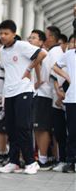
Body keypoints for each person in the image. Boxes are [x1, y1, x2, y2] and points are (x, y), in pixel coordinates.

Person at [0, 20, 47, 175]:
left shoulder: (22, 46)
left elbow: (42, 53)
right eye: (1, 33)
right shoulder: (2, 51)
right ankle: (13, 162)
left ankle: (31, 162)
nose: (3, 36)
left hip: (24, 91)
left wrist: (29, 69)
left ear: (13, 34)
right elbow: (8, 73)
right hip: (10, 93)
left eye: (6, 33)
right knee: (11, 128)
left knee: (23, 127)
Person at [34, 27, 64, 170]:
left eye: (45, 36)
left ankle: (44, 158)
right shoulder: (52, 52)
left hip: (46, 94)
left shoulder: (55, 53)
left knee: (42, 127)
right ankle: (45, 157)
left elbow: (55, 74)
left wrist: (58, 92)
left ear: (51, 37)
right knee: (40, 128)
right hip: (44, 93)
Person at [52, 46, 76, 173]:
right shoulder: (69, 54)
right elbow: (55, 66)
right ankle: (71, 161)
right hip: (72, 98)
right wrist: (67, 76)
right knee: (72, 132)